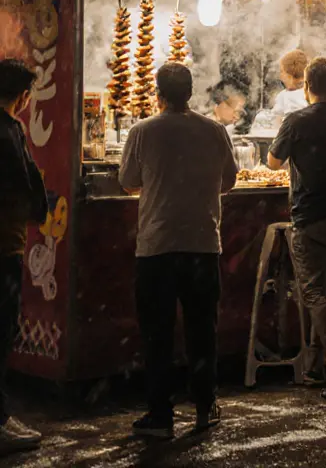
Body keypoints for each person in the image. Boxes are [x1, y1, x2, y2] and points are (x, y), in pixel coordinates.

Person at [120, 63, 237, 438]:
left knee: (158, 333)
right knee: (203, 330)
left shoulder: (142, 131)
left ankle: (160, 415)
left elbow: (127, 182)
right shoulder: (214, 130)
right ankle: (205, 408)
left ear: (158, 93)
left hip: (157, 247)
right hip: (202, 244)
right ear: (191, 92)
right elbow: (230, 180)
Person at [267, 57, 326, 398]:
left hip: (312, 212)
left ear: (306, 85)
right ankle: (316, 367)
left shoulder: (296, 120)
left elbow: (273, 161)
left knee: (313, 292)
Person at [0, 60, 48, 451]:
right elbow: (26, 181)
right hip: (4, 245)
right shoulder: (9, 130)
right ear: (22, 97)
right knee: (1, 331)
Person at [271, 49, 309, 116]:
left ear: (290, 76)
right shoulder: (311, 93)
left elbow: (275, 119)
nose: (280, 76)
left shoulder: (283, 97)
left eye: (282, 71)